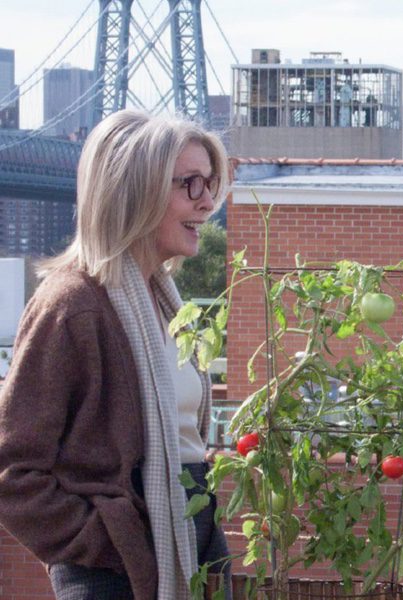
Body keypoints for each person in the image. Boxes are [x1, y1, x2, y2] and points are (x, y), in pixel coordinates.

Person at [0, 109, 232, 600]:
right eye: (189, 184)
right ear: (135, 192)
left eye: (210, 183)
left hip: (191, 544)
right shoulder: (73, 306)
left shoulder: (165, 302)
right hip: (115, 574)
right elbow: (12, 473)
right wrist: (109, 541)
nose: (208, 202)